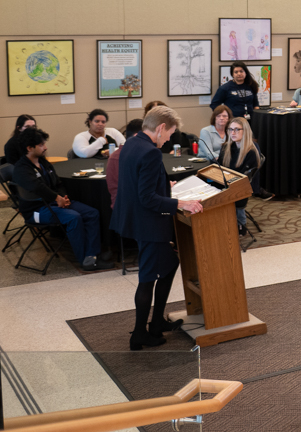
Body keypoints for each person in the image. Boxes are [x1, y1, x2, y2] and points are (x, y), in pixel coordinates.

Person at [109, 105, 203, 350]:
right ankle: (140, 334)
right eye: (170, 133)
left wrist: (163, 183)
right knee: (147, 278)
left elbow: (137, 181)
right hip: (148, 223)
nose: (170, 138)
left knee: (170, 264)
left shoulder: (132, 143)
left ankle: (157, 322)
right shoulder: (151, 152)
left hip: (134, 219)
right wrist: (182, 203)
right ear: (161, 128)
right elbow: (147, 198)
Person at [12, 127, 112, 272]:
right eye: (41, 145)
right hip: (36, 211)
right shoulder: (21, 169)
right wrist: (57, 198)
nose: (45, 147)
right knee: (74, 218)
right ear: (29, 148)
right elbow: (38, 187)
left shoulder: (42, 162)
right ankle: (84, 259)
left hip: (54, 203)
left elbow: (58, 183)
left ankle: (92, 256)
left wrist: (63, 198)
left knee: (92, 213)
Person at [219, 117, 263, 231]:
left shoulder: (251, 151)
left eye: (237, 129)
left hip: (241, 186)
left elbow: (243, 178)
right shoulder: (226, 147)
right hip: (226, 182)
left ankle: (239, 226)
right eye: (230, 129)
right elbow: (220, 167)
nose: (232, 133)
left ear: (245, 131)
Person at [107, 119, 143, 209]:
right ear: (137, 136)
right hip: (134, 208)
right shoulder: (135, 155)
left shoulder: (115, 155)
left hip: (121, 208)